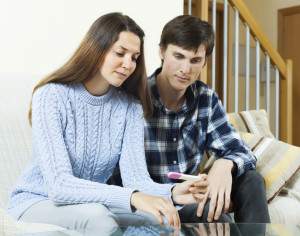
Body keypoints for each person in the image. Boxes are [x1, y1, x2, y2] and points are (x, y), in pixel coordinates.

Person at [6, 12, 209, 231]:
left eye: (134, 57)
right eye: (120, 53)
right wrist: (133, 197)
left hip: (91, 204)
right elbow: (59, 185)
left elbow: (136, 180)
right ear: (97, 48)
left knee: (162, 219)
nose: (128, 64)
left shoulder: (130, 106)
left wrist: (172, 193)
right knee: (99, 218)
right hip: (37, 201)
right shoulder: (51, 96)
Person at [109, 14, 270, 224]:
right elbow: (118, 177)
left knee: (252, 179)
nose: (186, 70)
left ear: (204, 61)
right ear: (161, 52)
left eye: (195, 61)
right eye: (178, 56)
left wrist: (224, 164)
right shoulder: (133, 99)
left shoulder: (206, 99)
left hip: (191, 193)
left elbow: (241, 152)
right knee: (217, 219)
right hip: (152, 199)